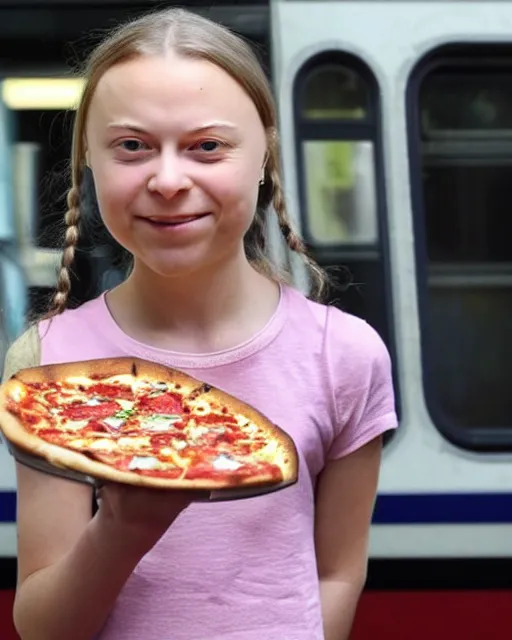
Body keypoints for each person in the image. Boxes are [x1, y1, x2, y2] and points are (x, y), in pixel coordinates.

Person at [3, 8, 398, 640]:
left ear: (265, 152)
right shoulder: (48, 364)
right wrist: (126, 526)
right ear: (90, 162)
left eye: (206, 146)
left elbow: (335, 575)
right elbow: (45, 626)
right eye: (132, 146)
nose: (167, 179)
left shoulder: (346, 355)